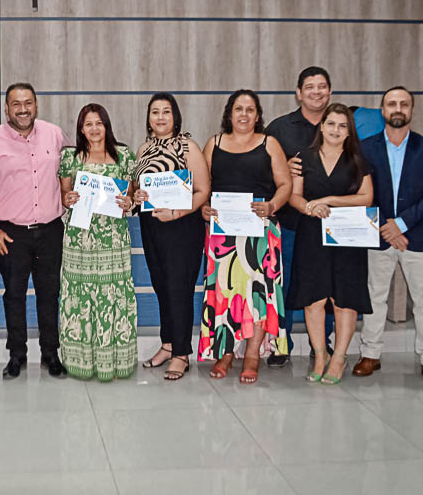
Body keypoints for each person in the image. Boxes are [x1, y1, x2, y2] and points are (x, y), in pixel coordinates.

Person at [354, 87, 423, 386]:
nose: (397, 109)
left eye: (403, 104)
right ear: (382, 111)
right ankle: (370, 354)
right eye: (391, 104)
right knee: (374, 297)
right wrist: (387, 227)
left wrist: (402, 224)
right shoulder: (365, 148)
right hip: (378, 234)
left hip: (416, 235)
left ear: (411, 110)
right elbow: (361, 194)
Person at [199, 90, 291, 384]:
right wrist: (203, 207)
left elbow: (286, 184)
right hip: (223, 236)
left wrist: (272, 205)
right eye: (238, 109)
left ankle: (252, 354)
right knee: (224, 294)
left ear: (257, 115)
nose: (244, 114)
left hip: (260, 233)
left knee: (258, 296)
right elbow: (202, 186)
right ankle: (225, 352)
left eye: (250, 110)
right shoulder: (213, 144)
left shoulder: (269, 144)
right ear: (229, 113)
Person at [0, 82, 67, 379]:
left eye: (28, 103)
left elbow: (66, 177)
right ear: (6, 108)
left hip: (51, 230)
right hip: (10, 233)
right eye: (16, 104)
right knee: (14, 294)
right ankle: (17, 355)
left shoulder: (54, 134)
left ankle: (50, 353)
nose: (23, 109)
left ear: (36, 105)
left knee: (49, 293)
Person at [287, 103, 373, 384]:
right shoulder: (304, 157)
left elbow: (366, 198)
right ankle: (321, 355)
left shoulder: (358, 159)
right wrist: (309, 208)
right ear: (321, 126)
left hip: (348, 238)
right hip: (312, 236)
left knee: (343, 301)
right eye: (331, 124)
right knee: (314, 299)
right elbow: (294, 196)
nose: (336, 130)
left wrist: (329, 201)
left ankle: (339, 357)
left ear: (349, 131)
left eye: (342, 125)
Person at [131, 93, 210, 381]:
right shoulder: (143, 149)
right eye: (155, 112)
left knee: (179, 288)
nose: (161, 117)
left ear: (175, 116)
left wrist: (176, 213)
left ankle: (181, 354)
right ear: (148, 118)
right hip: (152, 227)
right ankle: (167, 345)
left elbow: (202, 191)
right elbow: (137, 191)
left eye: (166, 111)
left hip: (182, 227)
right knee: (161, 286)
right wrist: (136, 194)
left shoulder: (188, 147)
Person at [59, 103, 137, 381]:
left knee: (113, 296)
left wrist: (128, 201)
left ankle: (114, 360)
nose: (94, 128)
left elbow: (130, 196)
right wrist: (67, 199)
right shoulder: (70, 157)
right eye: (88, 123)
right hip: (80, 237)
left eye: (99, 123)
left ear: (107, 126)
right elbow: (64, 196)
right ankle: (81, 359)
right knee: (79, 298)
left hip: (113, 237)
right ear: (81, 128)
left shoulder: (125, 155)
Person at [265, 66, 333, 366]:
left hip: (330, 224)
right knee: (285, 284)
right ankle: (282, 343)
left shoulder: (340, 125)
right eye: (310, 87)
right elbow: (262, 171)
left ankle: (325, 343)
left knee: (327, 286)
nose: (316, 92)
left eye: (322, 86)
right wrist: (282, 170)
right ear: (298, 92)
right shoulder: (280, 128)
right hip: (290, 223)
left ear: (329, 91)